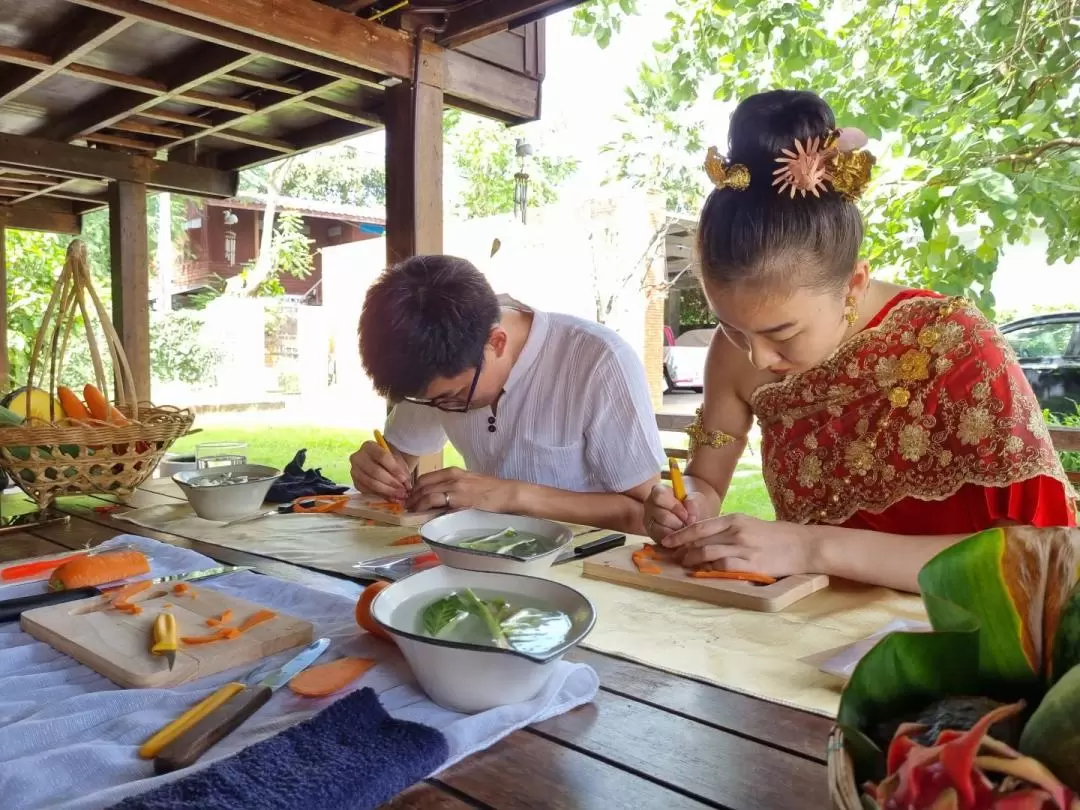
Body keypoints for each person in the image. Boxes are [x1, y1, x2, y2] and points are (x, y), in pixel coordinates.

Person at [644, 89, 1076, 593]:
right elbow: (708, 481)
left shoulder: (952, 346)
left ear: (853, 283)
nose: (756, 355)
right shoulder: (733, 354)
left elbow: (1046, 556)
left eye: (782, 333)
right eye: (733, 327)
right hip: (808, 631)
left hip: (967, 635)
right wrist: (687, 502)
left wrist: (812, 546)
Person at [350, 254, 666, 534]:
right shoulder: (433, 360)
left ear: (497, 342)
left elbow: (645, 516)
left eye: (454, 396)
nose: (442, 408)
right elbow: (397, 459)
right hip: (482, 553)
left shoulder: (598, 361)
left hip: (588, 568)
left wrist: (512, 495)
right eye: (429, 401)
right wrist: (376, 472)